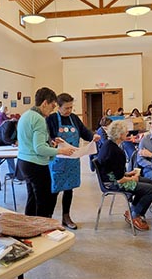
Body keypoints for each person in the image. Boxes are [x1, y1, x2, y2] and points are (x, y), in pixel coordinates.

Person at [17, 87, 74, 217]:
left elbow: (31, 142)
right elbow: (39, 149)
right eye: (52, 106)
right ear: (45, 103)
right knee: (44, 201)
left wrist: (51, 144)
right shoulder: (39, 119)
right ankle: (42, 232)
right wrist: (61, 151)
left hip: (23, 162)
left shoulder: (26, 115)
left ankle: (29, 227)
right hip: (36, 165)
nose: (53, 109)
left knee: (32, 199)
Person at [47, 93, 101, 229]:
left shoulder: (74, 118)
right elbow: (47, 136)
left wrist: (93, 136)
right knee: (54, 190)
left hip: (72, 161)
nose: (69, 110)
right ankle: (48, 220)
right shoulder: (51, 119)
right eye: (66, 108)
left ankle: (66, 217)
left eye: (71, 107)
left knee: (69, 189)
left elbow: (84, 131)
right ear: (58, 107)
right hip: (57, 160)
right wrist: (52, 140)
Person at [97, 120, 152, 231]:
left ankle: (133, 210)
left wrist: (128, 174)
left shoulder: (108, 145)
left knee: (149, 182)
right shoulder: (117, 151)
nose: (128, 134)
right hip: (114, 184)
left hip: (111, 179)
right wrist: (133, 178)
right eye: (126, 132)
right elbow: (120, 180)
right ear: (120, 135)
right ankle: (135, 215)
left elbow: (113, 171)